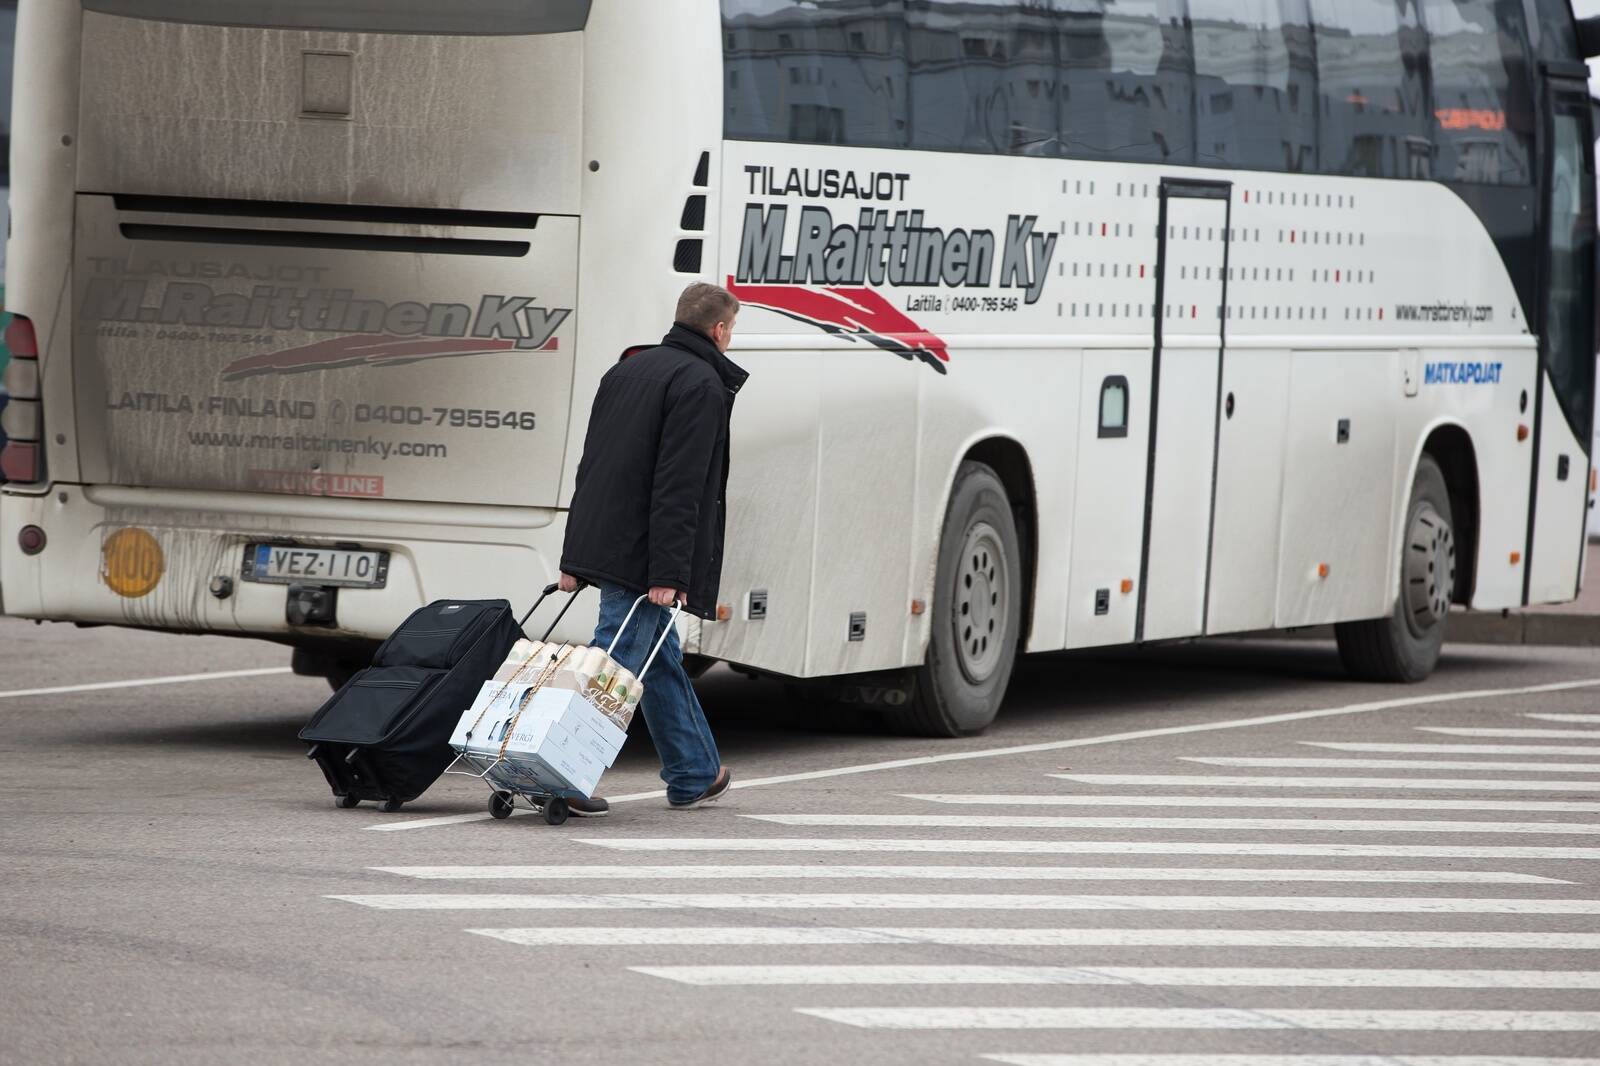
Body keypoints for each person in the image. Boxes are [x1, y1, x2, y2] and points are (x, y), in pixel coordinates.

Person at [557, 281, 748, 816]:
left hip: (612, 542)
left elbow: (593, 467)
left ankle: (694, 772)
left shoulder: (626, 370)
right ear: (719, 330)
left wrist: (576, 556)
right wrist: (668, 572)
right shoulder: (701, 383)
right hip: (645, 557)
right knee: (615, 665)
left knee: (657, 660)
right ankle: (562, 775)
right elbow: (680, 486)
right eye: (732, 330)